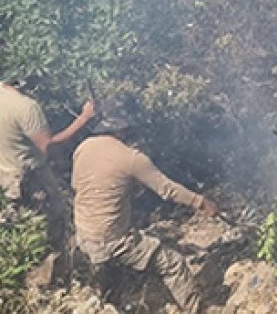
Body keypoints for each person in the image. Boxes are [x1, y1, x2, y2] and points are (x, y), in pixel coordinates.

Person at [72, 98, 217, 312]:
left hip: (83, 235)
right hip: (112, 239)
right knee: (173, 264)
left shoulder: (83, 147)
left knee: (112, 283)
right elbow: (167, 189)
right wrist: (201, 202)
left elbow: (77, 185)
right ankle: (196, 310)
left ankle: (111, 300)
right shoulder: (131, 158)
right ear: (123, 129)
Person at [0, 78, 95, 281]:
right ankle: (50, 280)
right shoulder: (26, 107)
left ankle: (18, 275)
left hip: (5, 178)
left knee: (18, 228)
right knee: (52, 225)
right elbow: (48, 147)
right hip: (31, 177)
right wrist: (83, 118)